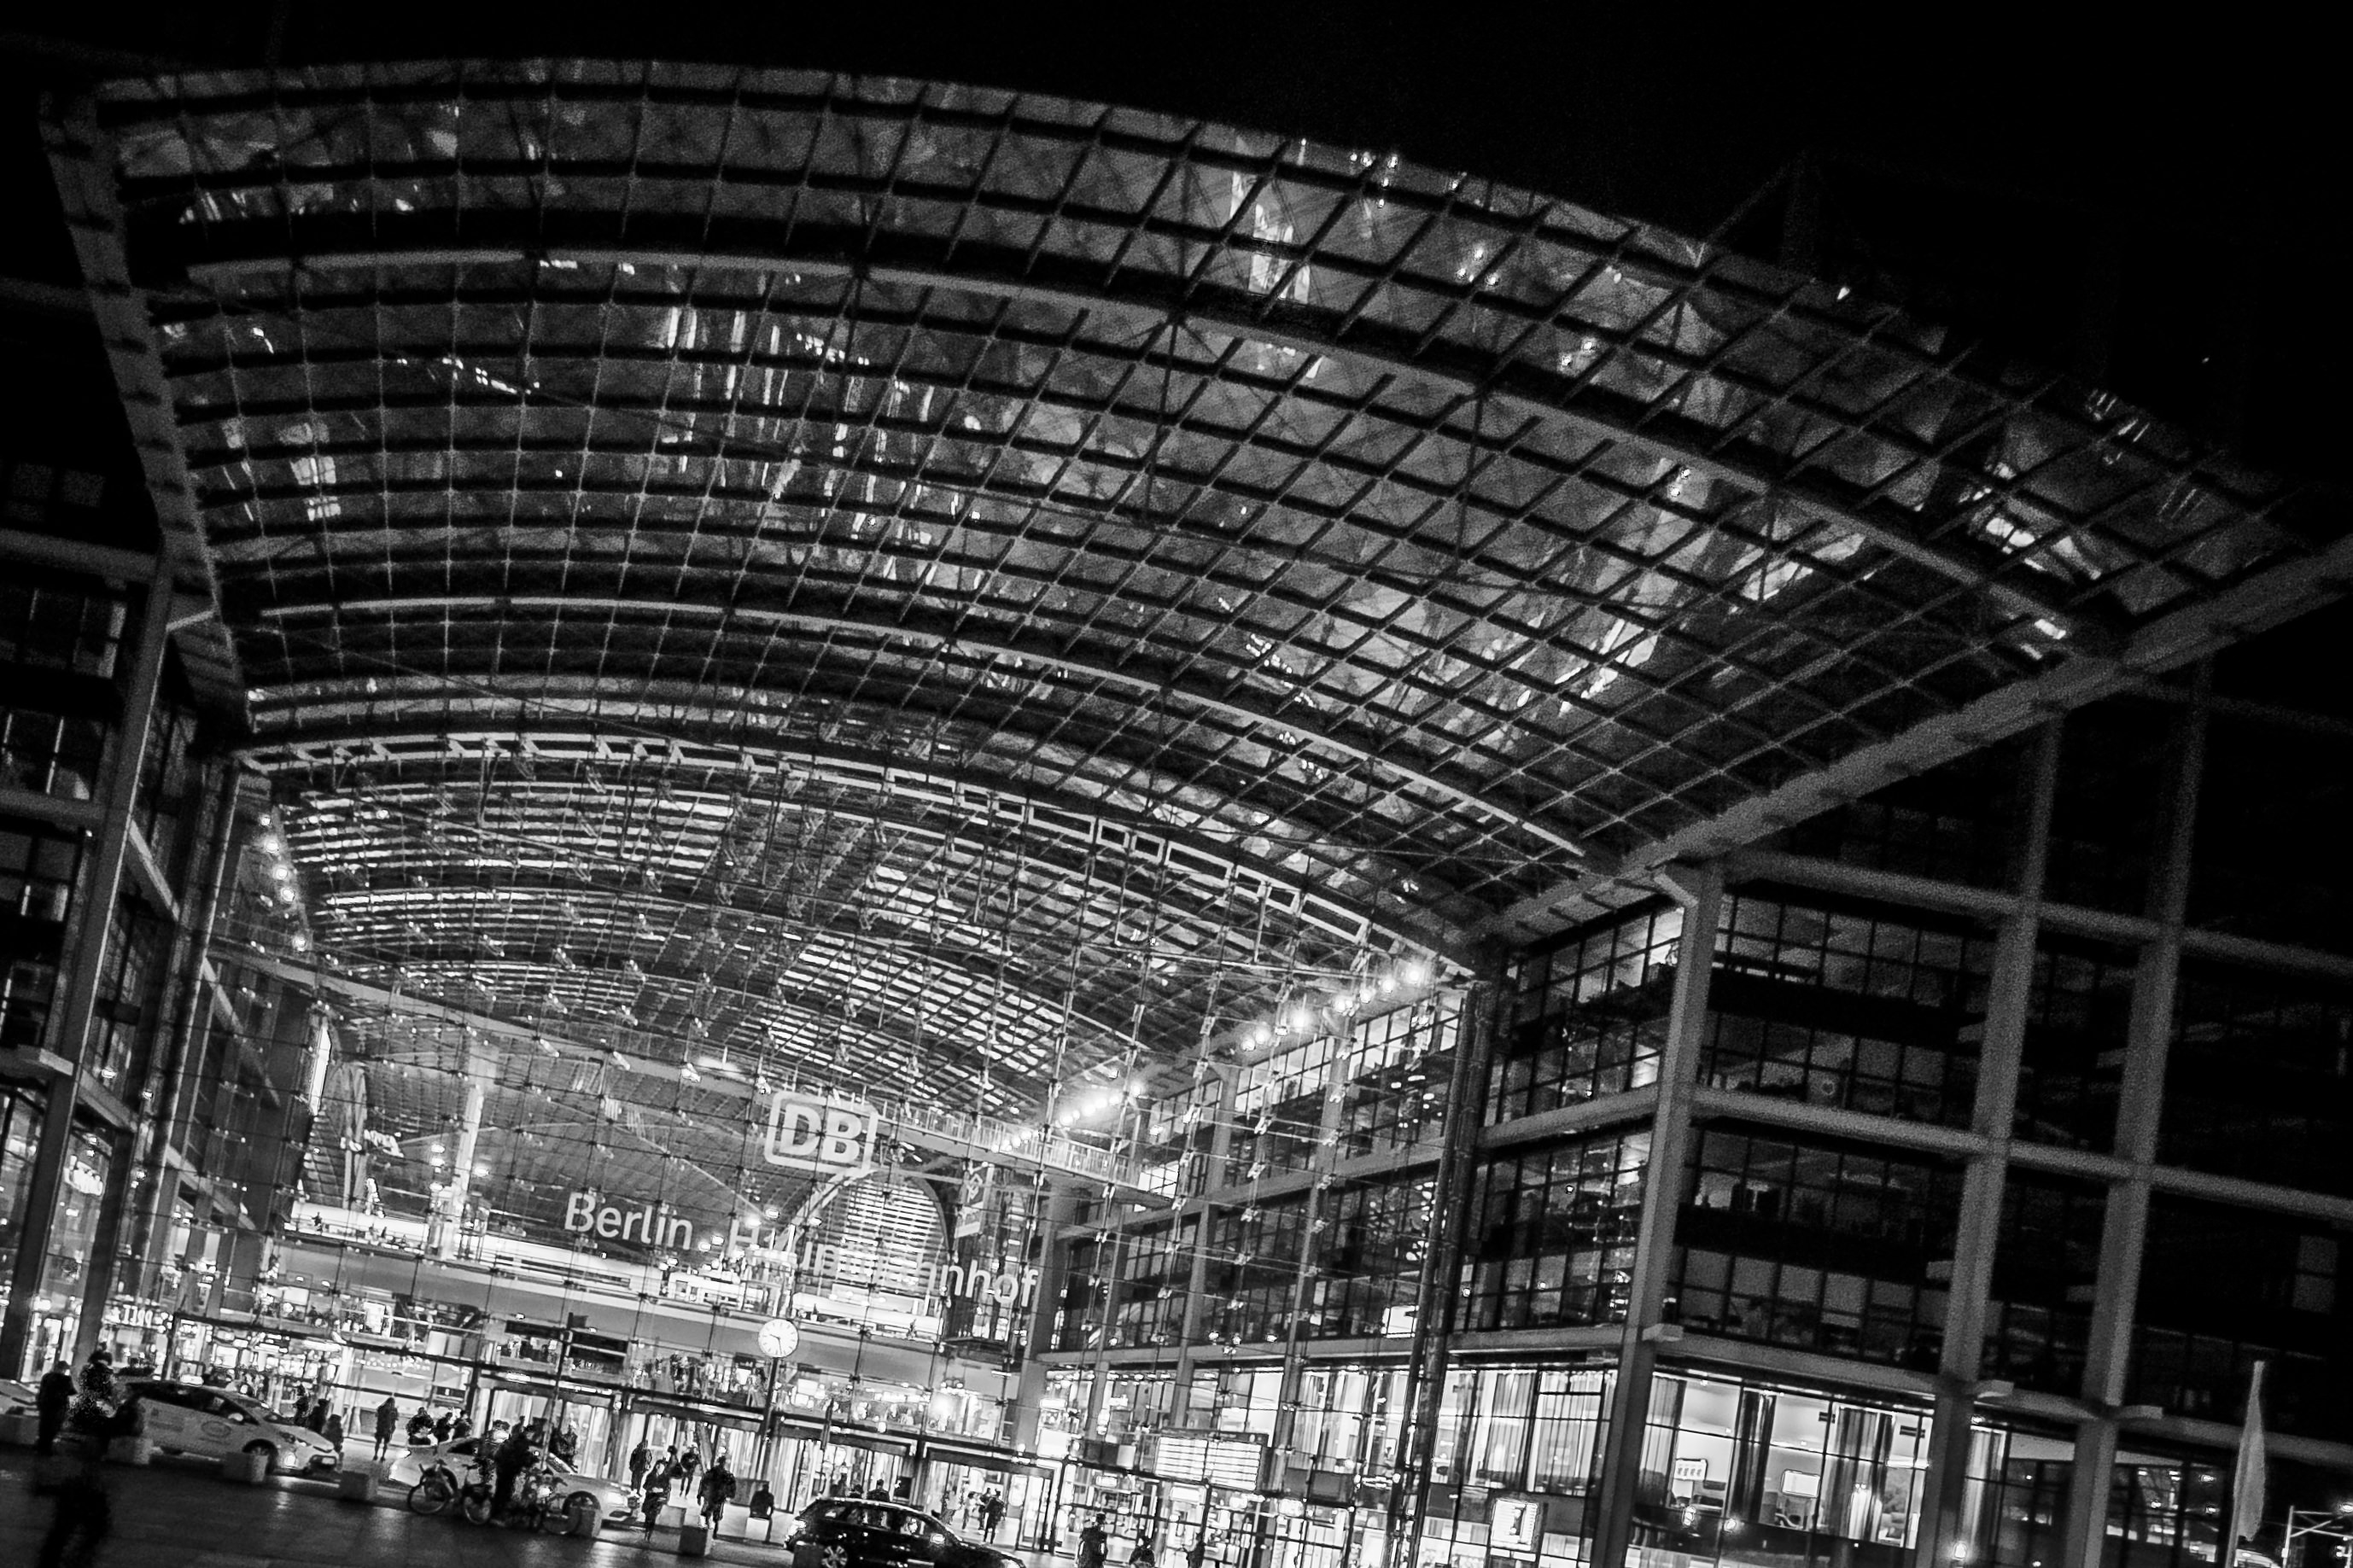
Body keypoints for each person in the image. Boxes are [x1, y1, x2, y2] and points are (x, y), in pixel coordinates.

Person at [38, 1355, 124, 1568]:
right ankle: (73, 1561)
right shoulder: (101, 1406)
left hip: (69, 1471)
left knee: (63, 1526)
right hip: (84, 1476)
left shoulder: (78, 1402)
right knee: (94, 1526)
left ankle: (52, 1562)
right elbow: (115, 1426)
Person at [492, 1419, 538, 1520]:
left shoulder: (517, 1439)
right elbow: (519, 1457)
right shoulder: (522, 1442)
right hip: (508, 1469)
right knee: (504, 1492)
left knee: (501, 1490)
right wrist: (530, 1460)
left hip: (504, 1468)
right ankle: (497, 1515)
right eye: (532, 1434)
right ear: (530, 1433)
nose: (532, 1436)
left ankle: (496, 1513)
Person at [35, 1361, 73, 1456]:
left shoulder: (47, 1377)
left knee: (44, 1426)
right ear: (64, 1370)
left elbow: (41, 1390)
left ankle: (40, 1446)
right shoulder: (66, 1380)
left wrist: (39, 1402)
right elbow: (71, 1391)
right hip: (57, 1406)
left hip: (45, 1404)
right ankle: (47, 1448)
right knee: (53, 1427)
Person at [698, 1451, 736, 1533]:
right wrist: (730, 1493)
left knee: (707, 1511)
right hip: (718, 1496)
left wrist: (700, 1493)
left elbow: (704, 1481)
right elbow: (731, 1484)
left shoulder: (713, 1472)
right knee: (716, 1514)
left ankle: (705, 1527)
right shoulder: (725, 1474)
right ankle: (713, 1531)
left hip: (711, 1495)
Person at [641, 1451, 674, 1532]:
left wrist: (661, 1490)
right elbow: (645, 1486)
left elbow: (668, 1489)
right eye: (659, 1467)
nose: (660, 1469)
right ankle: (647, 1526)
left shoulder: (665, 1479)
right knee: (648, 1512)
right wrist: (651, 1489)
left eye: (662, 1467)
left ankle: (650, 1528)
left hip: (659, 1498)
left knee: (653, 1512)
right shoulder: (650, 1476)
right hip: (650, 1497)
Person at [373, 1396, 400, 1461]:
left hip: (381, 1428)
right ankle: (382, 1456)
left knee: (379, 1442)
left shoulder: (381, 1408)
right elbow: (395, 1419)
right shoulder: (393, 1410)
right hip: (387, 1429)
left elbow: (377, 1415)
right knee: (385, 1443)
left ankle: (376, 1455)